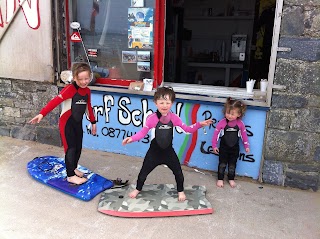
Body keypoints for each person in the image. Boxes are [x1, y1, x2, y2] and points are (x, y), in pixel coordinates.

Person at [122, 87, 213, 201]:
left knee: (178, 172)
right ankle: (138, 189)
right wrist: (131, 138)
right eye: (161, 102)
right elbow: (142, 133)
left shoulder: (174, 118)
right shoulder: (151, 118)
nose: (164, 105)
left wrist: (200, 124)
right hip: (154, 153)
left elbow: (187, 129)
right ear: (156, 103)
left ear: (172, 103)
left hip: (168, 152)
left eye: (167, 102)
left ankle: (180, 191)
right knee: (143, 173)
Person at [29, 63, 97, 185]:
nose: (83, 82)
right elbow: (55, 101)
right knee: (70, 149)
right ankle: (70, 175)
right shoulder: (70, 89)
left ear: (90, 77)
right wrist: (42, 114)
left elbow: (88, 107)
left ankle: (73, 168)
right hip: (67, 124)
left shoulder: (87, 91)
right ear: (75, 78)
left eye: (86, 78)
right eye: (80, 79)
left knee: (78, 148)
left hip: (77, 123)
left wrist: (93, 122)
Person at [212, 97, 250, 188]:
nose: (229, 116)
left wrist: (246, 146)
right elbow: (216, 134)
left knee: (232, 164)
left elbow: (244, 136)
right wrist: (214, 145)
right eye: (228, 113)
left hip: (235, 148)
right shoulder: (222, 123)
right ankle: (220, 178)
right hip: (224, 147)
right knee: (222, 163)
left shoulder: (240, 124)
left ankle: (231, 178)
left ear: (239, 114)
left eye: (232, 114)